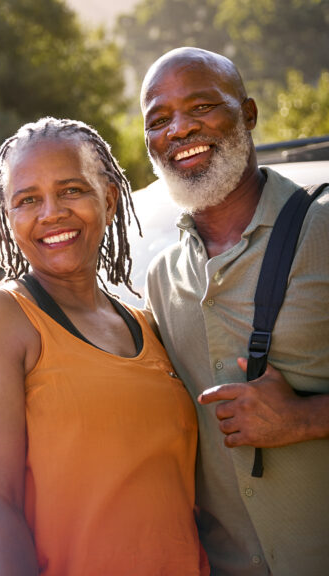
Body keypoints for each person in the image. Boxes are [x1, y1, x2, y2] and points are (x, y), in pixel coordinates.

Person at [0, 117, 207, 575]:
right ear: (9, 219)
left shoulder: (146, 324)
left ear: (108, 198)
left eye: (71, 190)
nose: (51, 213)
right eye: (28, 200)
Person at [141, 47, 329, 576]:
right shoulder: (159, 280)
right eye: (159, 119)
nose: (179, 129)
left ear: (247, 114)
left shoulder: (325, 232)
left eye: (201, 107)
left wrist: (305, 419)